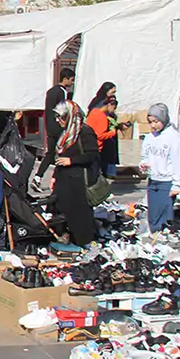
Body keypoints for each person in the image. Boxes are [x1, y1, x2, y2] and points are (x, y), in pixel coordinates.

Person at [51, 101, 100, 247]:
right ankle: (66, 241)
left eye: (61, 117)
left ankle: (83, 243)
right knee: (60, 211)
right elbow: (59, 158)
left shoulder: (85, 132)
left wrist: (72, 160)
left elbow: (92, 155)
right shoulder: (65, 133)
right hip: (64, 180)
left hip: (78, 182)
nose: (58, 121)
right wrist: (54, 176)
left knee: (79, 216)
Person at [140, 103, 180, 233]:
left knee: (165, 214)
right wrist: (144, 165)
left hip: (166, 181)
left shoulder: (173, 138)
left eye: (156, 121)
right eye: (150, 122)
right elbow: (145, 156)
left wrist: (177, 184)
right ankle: (154, 235)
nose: (153, 125)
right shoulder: (150, 138)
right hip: (153, 180)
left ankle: (165, 236)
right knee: (153, 213)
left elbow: (179, 162)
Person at [35, 68, 76, 180]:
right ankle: (59, 179)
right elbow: (62, 110)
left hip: (50, 126)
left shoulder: (51, 91)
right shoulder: (62, 92)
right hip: (58, 127)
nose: (72, 83)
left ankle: (38, 176)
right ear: (65, 79)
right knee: (64, 153)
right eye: (71, 80)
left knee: (50, 154)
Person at [85, 96, 125, 178]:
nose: (114, 110)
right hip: (97, 147)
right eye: (114, 108)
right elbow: (100, 135)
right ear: (109, 105)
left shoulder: (93, 111)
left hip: (88, 143)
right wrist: (112, 133)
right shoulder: (102, 117)